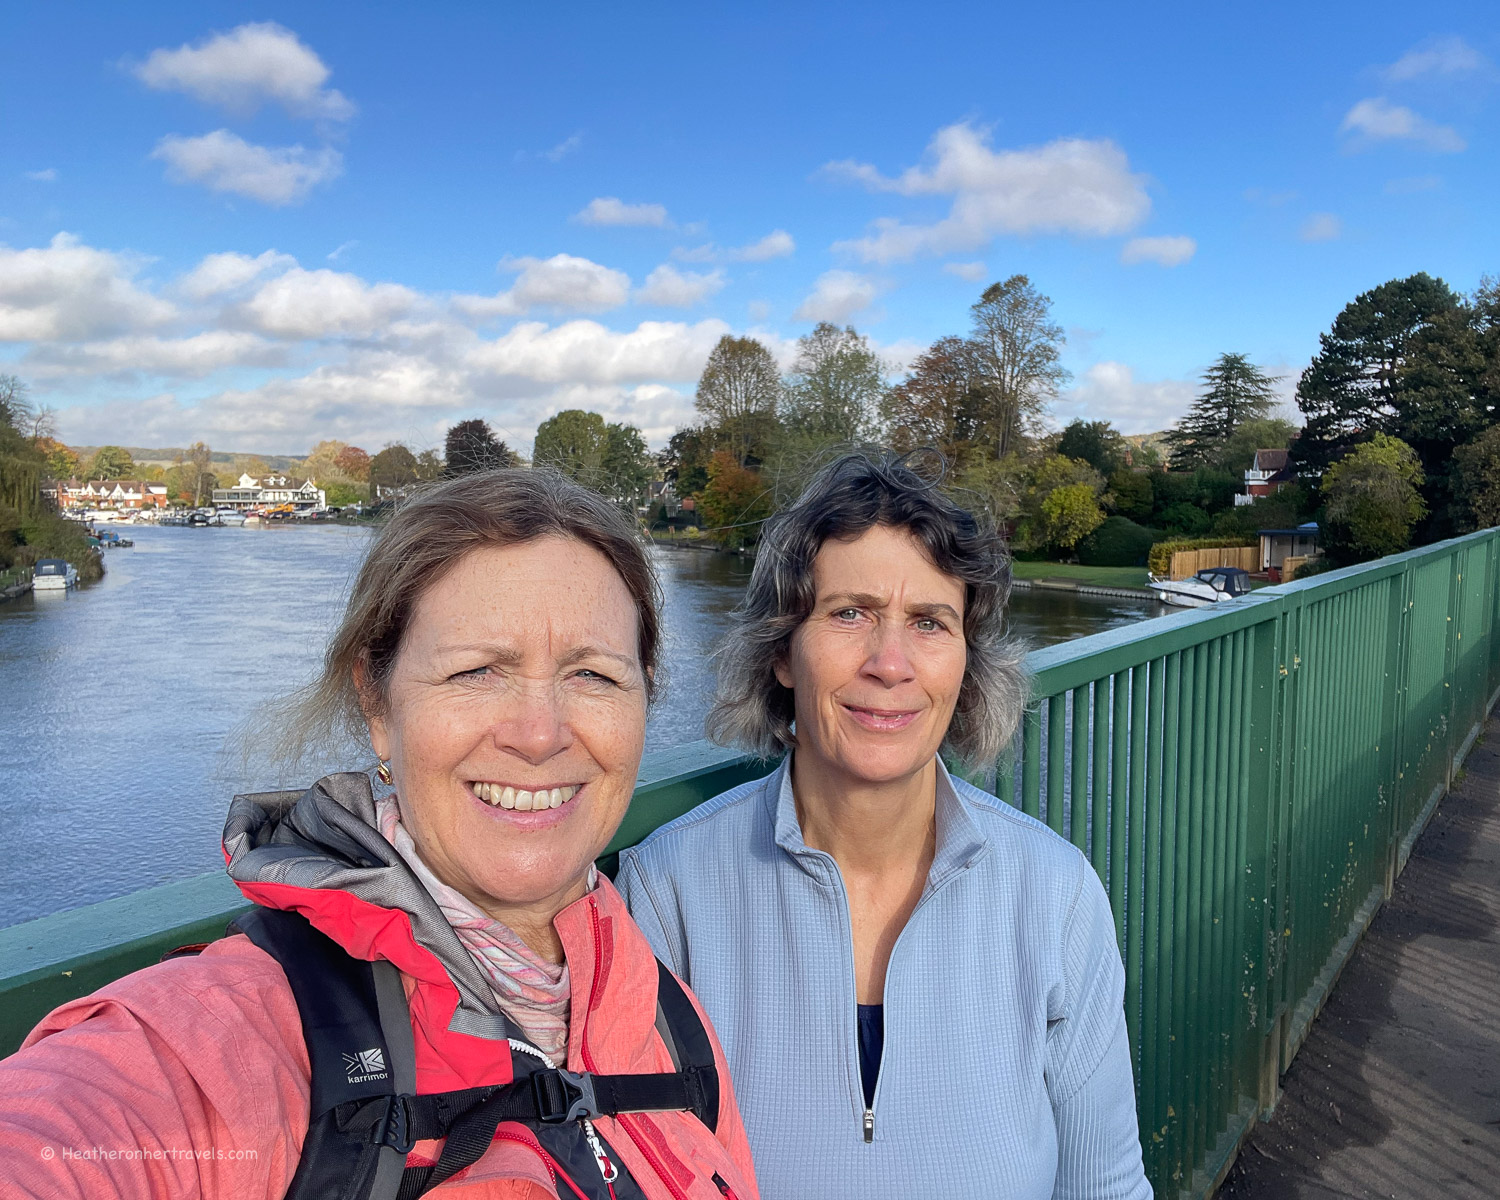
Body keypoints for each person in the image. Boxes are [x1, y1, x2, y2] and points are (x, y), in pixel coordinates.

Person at [0, 469, 759, 1200]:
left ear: (645, 697)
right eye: (476, 672)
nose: (539, 734)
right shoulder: (227, 1040)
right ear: (376, 703)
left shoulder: (671, 1022)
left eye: (593, 675)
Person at [618, 453, 1152, 1199]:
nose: (891, 663)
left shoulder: (1055, 894)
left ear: (965, 662)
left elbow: (1107, 1187)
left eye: (929, 623)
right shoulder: (670, 890)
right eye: (849, 614)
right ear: (782, 652)